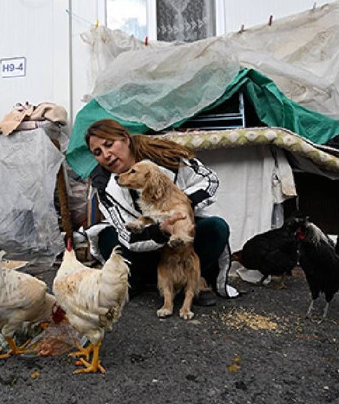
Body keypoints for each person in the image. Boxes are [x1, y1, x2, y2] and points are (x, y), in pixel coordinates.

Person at [84, 119, 238, 304]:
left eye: (109, 144)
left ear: (125, 138)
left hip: (181, 238)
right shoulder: (102, 183)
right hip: (144, 246)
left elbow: (209, 180)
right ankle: (142, 280)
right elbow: (127, 236)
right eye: (98, 152)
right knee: (107, 237)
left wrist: (178, 204)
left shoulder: (164, 156)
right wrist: (160, 231)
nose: (106, 155)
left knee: (216, 228)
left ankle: (192, 280)